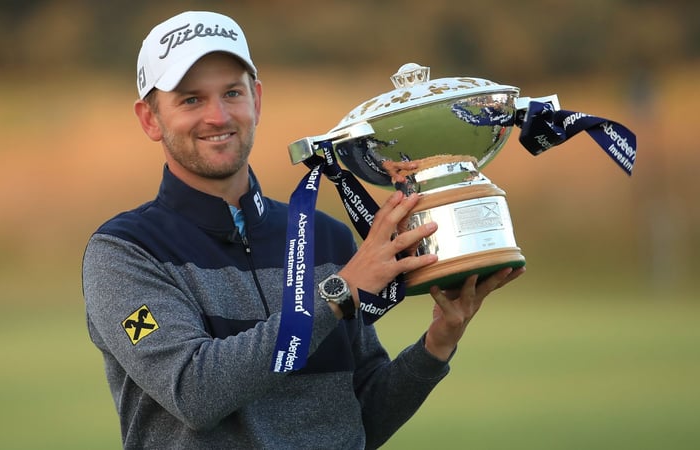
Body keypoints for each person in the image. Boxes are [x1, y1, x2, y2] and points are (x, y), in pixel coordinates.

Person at [82, 10, 524, 449]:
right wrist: (340, 293)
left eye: (232, 93)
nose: (218, 116)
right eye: (191, 99)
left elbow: (359, 420)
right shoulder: (124, 252)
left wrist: (437, 343)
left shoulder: (325, 236)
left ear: (256, 99)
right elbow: (195, 391)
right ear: (150, 119)